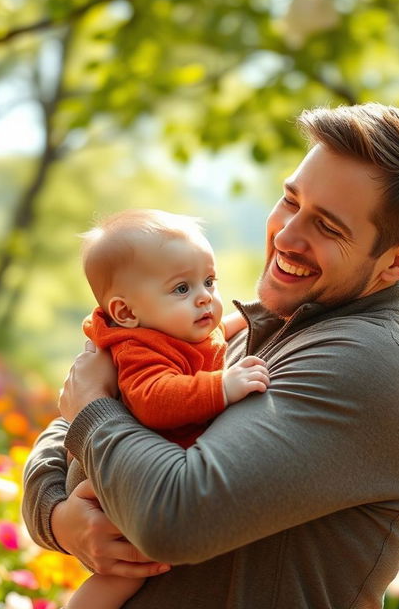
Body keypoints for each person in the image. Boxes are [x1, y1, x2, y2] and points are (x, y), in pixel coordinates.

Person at [22, 103, 399, 608]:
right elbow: (72, 424)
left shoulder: (366, 365)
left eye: (327, 226)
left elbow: (173, 516)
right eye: (290, 200)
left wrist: (90, 410)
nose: (286, 235)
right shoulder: (252, 327)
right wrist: (59, 516)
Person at [63, 209, 270, 608]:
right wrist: (222, 387)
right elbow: (156, 399)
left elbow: (211, 339)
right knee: (126, 572)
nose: (205, 297)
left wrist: (242, 322)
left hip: (132, 465)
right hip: (113, 479)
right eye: (181, 289)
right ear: (126, 312)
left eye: (209, 281)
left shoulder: (171, 327)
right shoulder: (139, 350)